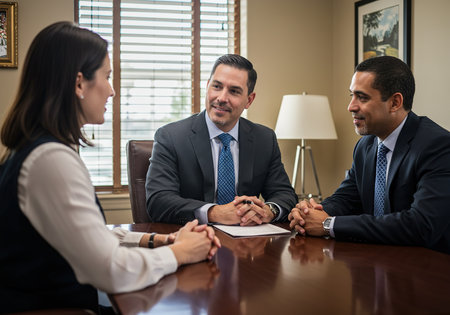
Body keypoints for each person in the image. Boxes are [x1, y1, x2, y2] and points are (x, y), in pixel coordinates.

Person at [0, 21, 220, 314]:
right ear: (79, 83)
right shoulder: (50, 160)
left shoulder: (38, 149)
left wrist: (157, 240)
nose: (112, 91)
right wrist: (180, 252)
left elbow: (86, 234)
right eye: (107, 76)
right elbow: (110, 270)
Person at [288, 56, 450, 254]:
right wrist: (310, 213)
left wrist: (328, 224)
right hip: (375, 262)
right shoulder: (366, 145)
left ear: (395, 102)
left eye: (362, 97)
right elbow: (347, 199)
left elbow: (420, 225)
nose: (351, 107)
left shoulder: (438, 146)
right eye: (351, 96)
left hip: (426, 268)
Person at [145, 54, 297, 226]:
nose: (222, 98)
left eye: (234, 91)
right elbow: (158, 201)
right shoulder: (171, 137)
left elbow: (284, 194)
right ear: (207, 86)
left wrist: (268, 211)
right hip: (192, 241)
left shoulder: (264, 139)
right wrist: (215, 212)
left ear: (249, 100)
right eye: (217, 86)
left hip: (247, 243)